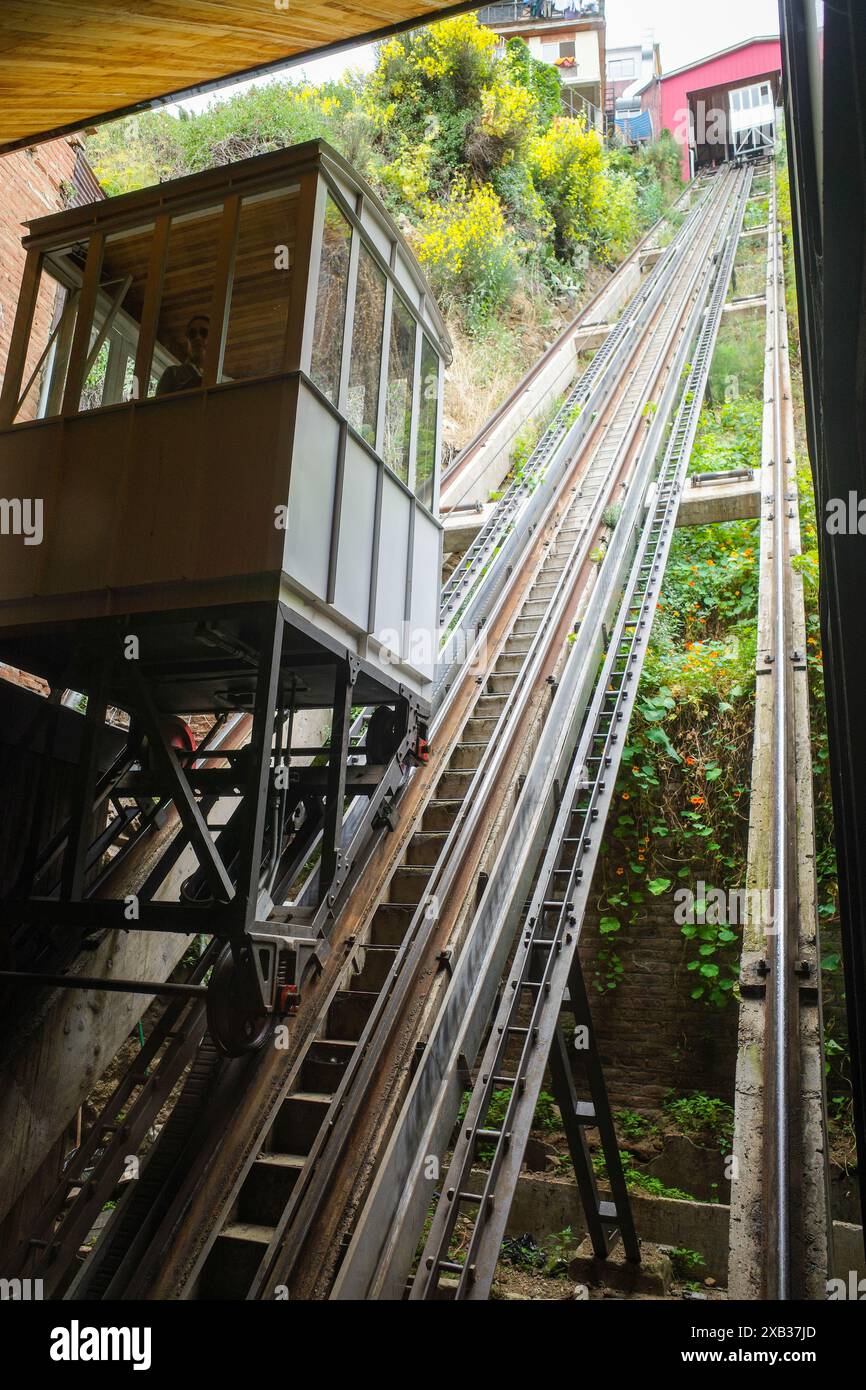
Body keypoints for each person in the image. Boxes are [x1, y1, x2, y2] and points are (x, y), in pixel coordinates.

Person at [155, 315, 209, 395]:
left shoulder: (224, 381)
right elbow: (157, 406)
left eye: (204, 333)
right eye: (192, 334)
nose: (197, 337)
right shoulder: (172, 373)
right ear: (187, 339)